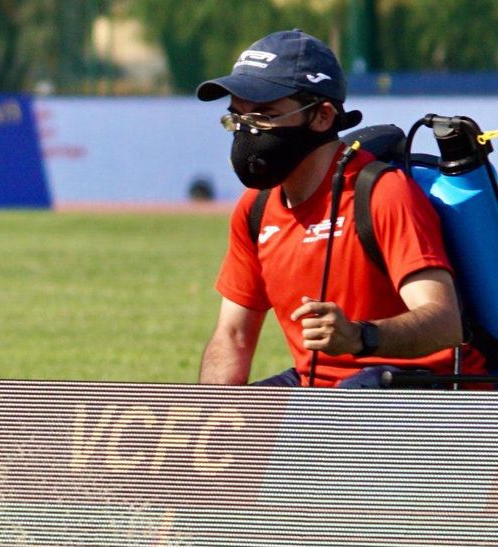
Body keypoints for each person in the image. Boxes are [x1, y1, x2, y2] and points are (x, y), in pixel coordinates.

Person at [196, 30, 484, 388]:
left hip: (426, 391)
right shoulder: (255, 210)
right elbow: (233, 337)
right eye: (236, 118)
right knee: (251, 423)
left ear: (322, 116)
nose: (246, 131)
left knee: (335, 410)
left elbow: (444, 322)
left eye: (264, 115)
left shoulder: (381, 193)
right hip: (323, 388)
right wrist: (217, 421)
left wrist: (360, 337)